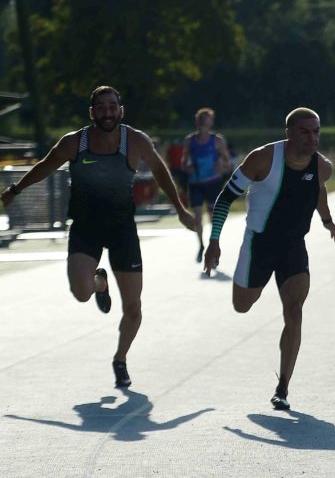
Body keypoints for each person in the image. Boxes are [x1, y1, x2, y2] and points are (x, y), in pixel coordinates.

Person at [1, 86, 195, 387]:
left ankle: (120, 359)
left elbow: (159, 171)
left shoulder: (136, 141)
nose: (107, 112)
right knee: (81, 293)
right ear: (92, 112)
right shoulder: (74, 143)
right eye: (101, 107)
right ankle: (99, 282)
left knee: (133, 308)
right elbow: (45, 167)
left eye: (112, 106)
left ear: (121, 110)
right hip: (86, 228)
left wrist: (180, 210)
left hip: (122, 231)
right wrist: (15, 190)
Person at [203, 107, 335, 411]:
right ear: (289, 133)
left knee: (294, 311)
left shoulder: (323, 167)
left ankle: (283, 387)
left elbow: (318, 190)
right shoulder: (262, 159)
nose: (312, 138)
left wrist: (328, 221)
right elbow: (225, 198)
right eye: (305, 132)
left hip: (293, 247)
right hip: (259, 245)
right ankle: (253, 288)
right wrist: (214, 241)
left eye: (316, 132)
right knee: (242, 305)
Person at [182, 107, 231, 266]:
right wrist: (187, 167)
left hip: (212, 183)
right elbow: (183, 163)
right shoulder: (189, 140)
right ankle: (201, 245)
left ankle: (213, 246)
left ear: (211, 122)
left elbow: (228, 163)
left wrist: (221, 164)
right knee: (197, 217)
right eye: (203, 118)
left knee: (212, 216)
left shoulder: (217, 140)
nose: (205, 122)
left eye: (208, 118)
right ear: (198, 121)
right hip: (195, 183)